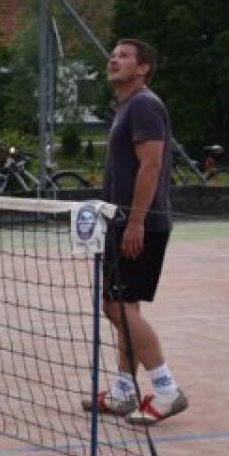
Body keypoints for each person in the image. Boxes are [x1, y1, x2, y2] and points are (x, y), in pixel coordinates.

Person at [87, 38, 189, 425]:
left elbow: (151, 165)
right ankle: (125, 390)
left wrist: (135, 222)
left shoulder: (144, 104)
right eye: (113, 55)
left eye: (124, 56)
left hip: (139, 224)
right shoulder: (127, 106)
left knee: (116, 307)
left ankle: (166, 390)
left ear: (143, 67)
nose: (114, 60)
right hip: (122, 221)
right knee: (124, 307)